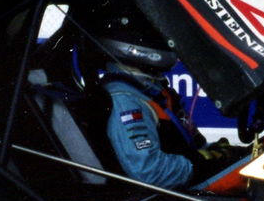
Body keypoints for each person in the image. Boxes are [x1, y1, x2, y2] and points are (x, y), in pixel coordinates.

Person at [97, 17, 243, 189]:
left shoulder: (152, 87)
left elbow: (194, 146)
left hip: (189, 183)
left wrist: (218, 153)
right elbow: (148, 172)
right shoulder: (125, 98)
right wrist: (200, 163)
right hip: (178, 198)